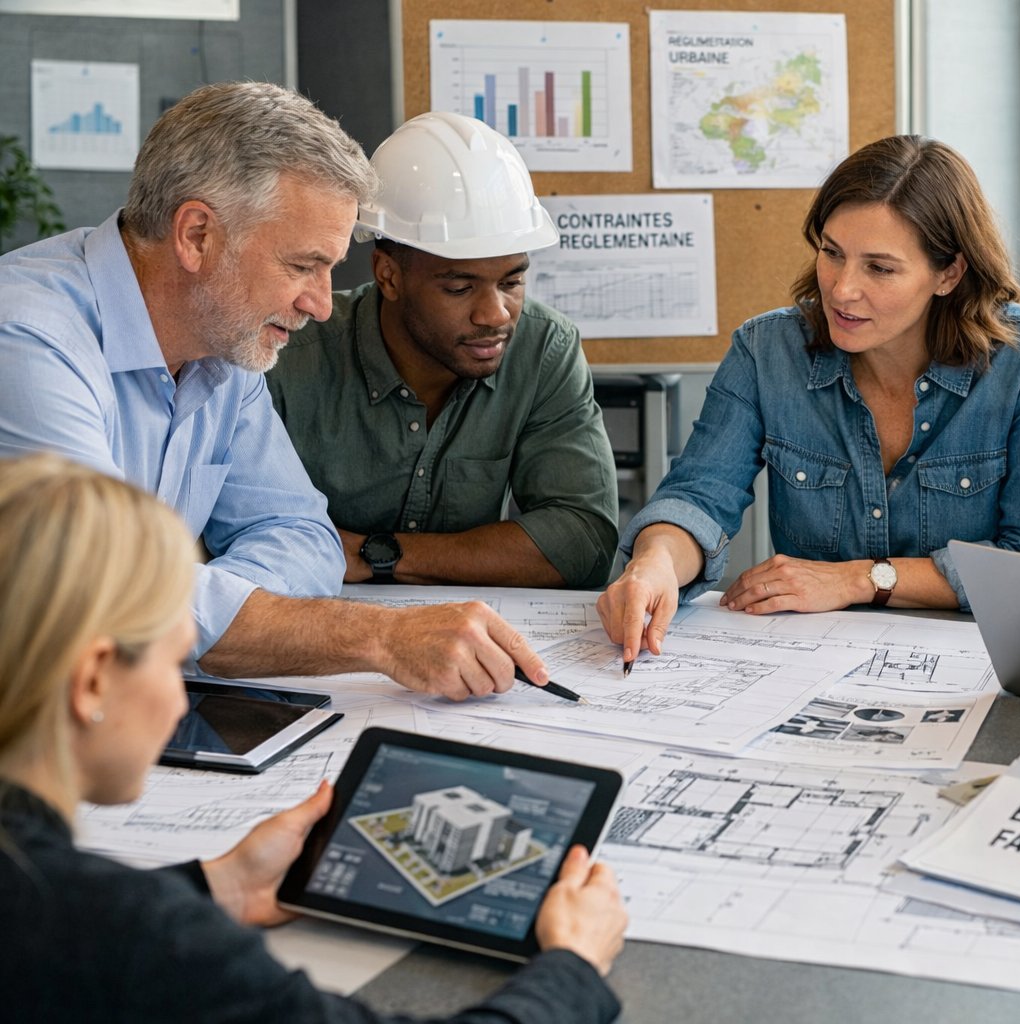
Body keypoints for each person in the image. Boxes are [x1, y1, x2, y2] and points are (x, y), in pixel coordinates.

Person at [0, 453, 627, 1024]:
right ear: (92, 682)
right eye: (174, 664)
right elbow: (100, 935)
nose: (177, 698)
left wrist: (216, 885)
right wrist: (572, 968)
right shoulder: (131, 934)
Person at [0, 82, 553, 700]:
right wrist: (380, 637)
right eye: (301, 266)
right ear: (196, 236)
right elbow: (97, 592)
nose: (321, 305)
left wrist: (198, 614)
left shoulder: (224, 348)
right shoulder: (26, 338)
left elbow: (303, 534)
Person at [598, 135, 1020, 663]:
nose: (840, 289)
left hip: (974, 666)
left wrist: (859, 580)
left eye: (879, 268)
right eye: (832, 253)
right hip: (808, 661)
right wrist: (653, 563)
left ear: (948, 273)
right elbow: (700, 496)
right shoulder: (768, 350)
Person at [269, 112, 618, 590]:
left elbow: (583, 542)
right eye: (459, 287)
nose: (495, 314)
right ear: (389, 276)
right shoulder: (291, 355)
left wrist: (379, 554)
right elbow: (239, 534)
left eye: (512, 281)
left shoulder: (544, 349)